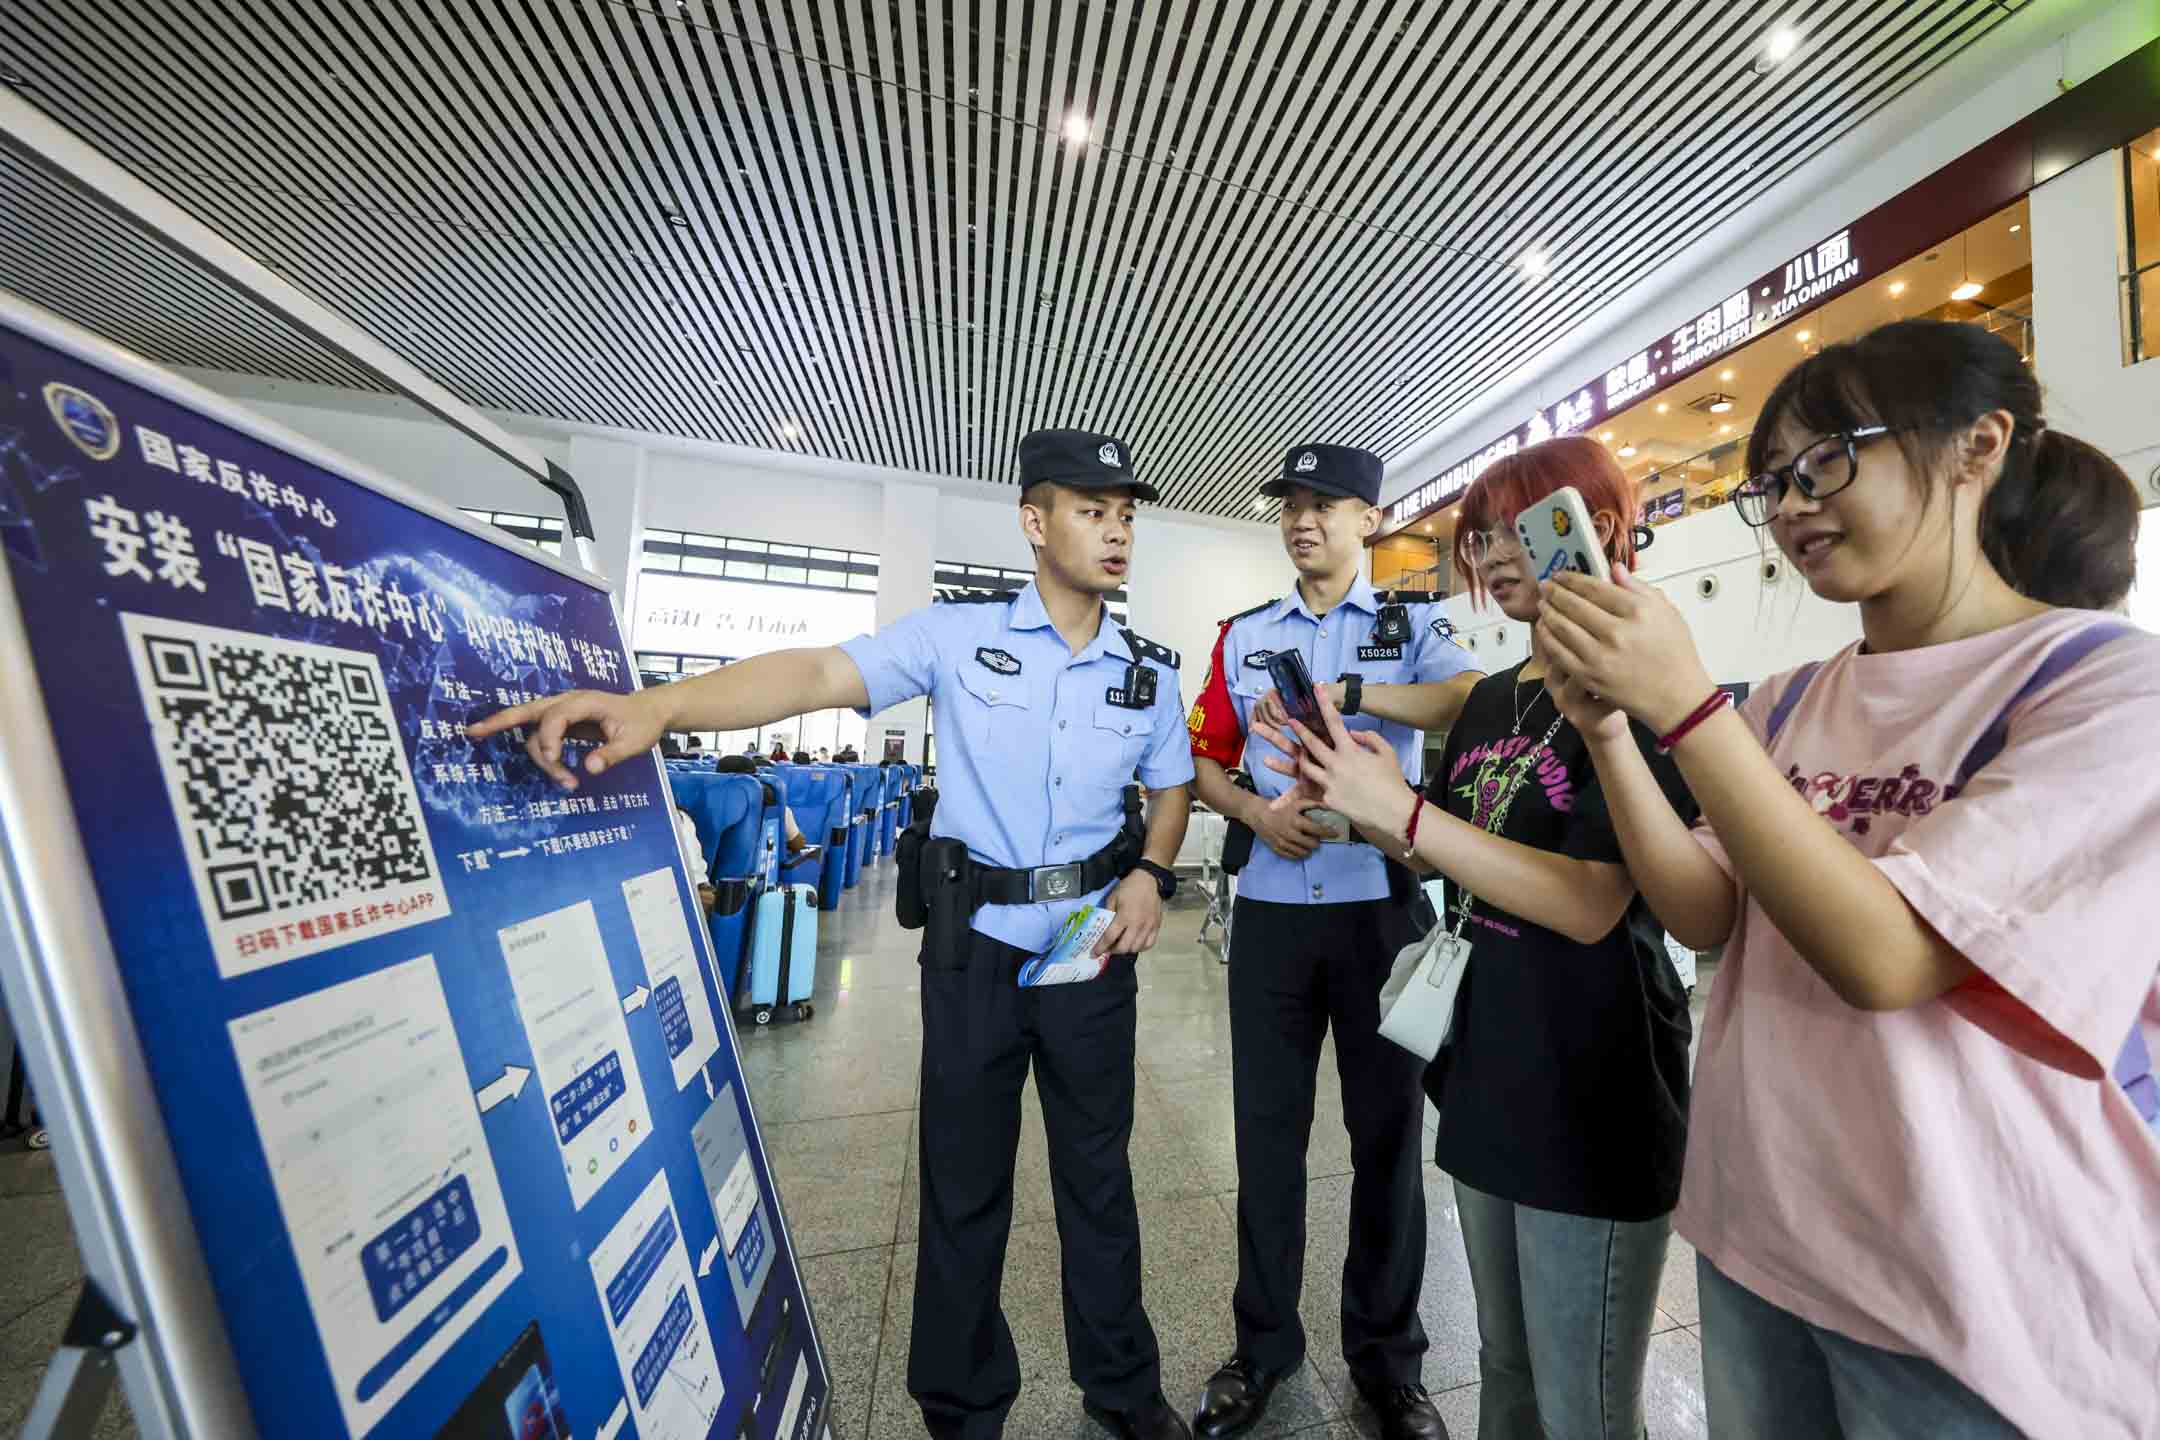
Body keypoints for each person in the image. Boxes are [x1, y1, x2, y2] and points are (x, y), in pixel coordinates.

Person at [471, 427, 1196, 1440]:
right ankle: (961, 1405)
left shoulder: (1149, 673)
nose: (1117, 532)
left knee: (1099, 1180)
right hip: (976, 944)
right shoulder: (954, 636)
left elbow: (1171, 788)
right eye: (1092, 510)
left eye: (1127, 515)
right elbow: (814, 674)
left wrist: (1154, 873)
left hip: (1089, 946)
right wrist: (659, 706)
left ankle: (1123, 1391)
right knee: (962, 1186)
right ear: (1035, 521)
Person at [1529, 317, 2160, 1437]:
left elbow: (1888, 958)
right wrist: (1620, 737)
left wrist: (1687, 708)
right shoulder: (1788, 698)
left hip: (1975, 1288)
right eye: (1771, 482)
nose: (1789, 507)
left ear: (1978, 447)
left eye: (1827, 462)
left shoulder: (2103, 688)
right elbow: (1705, 910)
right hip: (1762, 1237)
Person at [1247, 434, 1699, 1440]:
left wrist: (1405, 815)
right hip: (1487, 1068)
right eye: (1479, 534)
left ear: (1599, 529)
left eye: (1521, 527)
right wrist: (1358, 791)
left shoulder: (1643, 690)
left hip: (1593, 1089)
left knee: (1584, 1401)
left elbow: (1589, 902)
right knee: (1507, 1371)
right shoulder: (1498, 694)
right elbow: (1439, 857)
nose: (1493, 553)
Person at [1183, 443, 1480, 1440]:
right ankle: (1261, 1348)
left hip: (1378, 906)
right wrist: (1254, 816)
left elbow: (1465, 699)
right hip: (1271, 909)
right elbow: (1206, 758)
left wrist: (1360, 698)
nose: (1303, 520)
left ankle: (1389, 1365)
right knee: (1265, 1139)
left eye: (1326, 505)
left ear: (1368, 520)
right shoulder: (1244, 637)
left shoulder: (1414, 622)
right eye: (1291, 505)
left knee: (1389, 1141)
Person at [719, 753, 810, 855]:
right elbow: (798, 845)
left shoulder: (705, 805)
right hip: (758, 868)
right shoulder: (775, 805)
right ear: (755, 778)